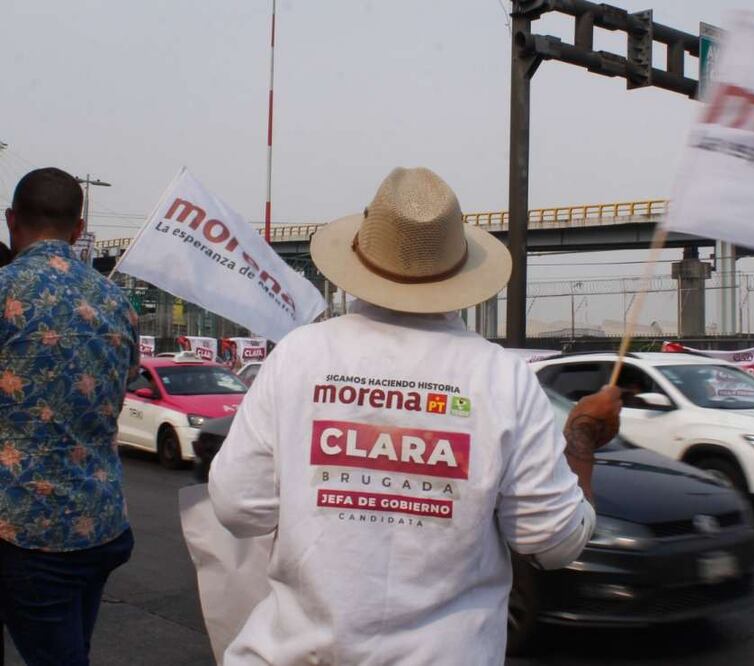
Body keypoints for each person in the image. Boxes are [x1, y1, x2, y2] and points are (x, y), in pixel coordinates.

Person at [208, 167, 623, 664]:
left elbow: (238, 507)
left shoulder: (299, 356)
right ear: (460, 268)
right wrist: (581, 436)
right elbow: (553, 542)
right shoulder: (501, 377)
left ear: (360, 257)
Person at [0, 168, 139, 665]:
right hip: (101, 523)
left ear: (11, 220)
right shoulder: (117, 302)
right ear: (79, 229)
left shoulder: (5, 292)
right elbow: (121, 387)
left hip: (27, 533)